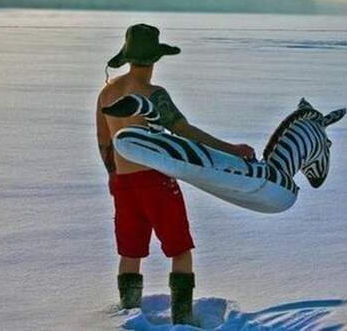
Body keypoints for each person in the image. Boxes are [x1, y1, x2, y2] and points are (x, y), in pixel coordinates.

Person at [95, 24, 255, 324]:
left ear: (128, 56)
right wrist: (232, 150)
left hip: (123, 183)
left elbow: (104, 141)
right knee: (179, 250)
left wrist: (113, 176)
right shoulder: (155, 95)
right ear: (155, 59)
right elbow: (184, 131)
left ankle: (129, 315)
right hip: (155, 181)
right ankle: (182, 318)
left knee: (130, 252)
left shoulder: (108, 92)